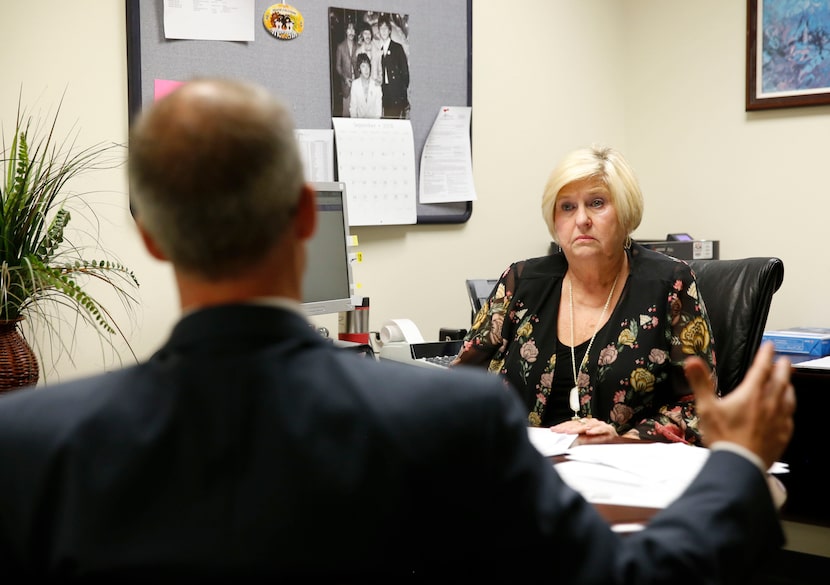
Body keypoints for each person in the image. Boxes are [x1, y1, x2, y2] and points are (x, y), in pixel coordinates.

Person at [0, 79, 795, 582]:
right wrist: (736, 466)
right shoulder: (450, 419)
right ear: (309, 214)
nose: (581, 220)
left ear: (149, 236)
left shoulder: (27, 441)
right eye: (567, 205)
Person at [453, 145, 717, 446]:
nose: (581, 220)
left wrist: (622, 440)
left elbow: (699, 407)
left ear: (626, 213)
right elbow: (458, 383)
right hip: (525, 470)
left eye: (596, 203)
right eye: (567, 207)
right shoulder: (521, 281)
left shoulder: (669, 284)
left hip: (625, 473)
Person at [377, 15, 410, 118]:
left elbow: (405, 73)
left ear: (390, 30)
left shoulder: (397, 48)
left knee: (395, 121)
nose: (383, 31)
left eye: (385, 28)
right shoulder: (378, 49)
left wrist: (402, 93)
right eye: (381, 28)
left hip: (396, 91)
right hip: (384, 91)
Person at [334, 21, 357, 117]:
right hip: (346, 85)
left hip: (357, 83)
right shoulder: (340, 47)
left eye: (353, 29)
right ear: (346, 31)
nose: (351, 32)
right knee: (346, 114)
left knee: (357, 113)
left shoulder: (358, 46)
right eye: (349, 29)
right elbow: (338, 66)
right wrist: (345, 78)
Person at [349, 52, 383, 119]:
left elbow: (378, 112)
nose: (366, 69)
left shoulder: (376, 86)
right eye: (363, 66)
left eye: (368, 66)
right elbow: (353, 109)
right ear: (359, 69)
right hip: (359, 125)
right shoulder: (355, 85)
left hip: (373, 125)